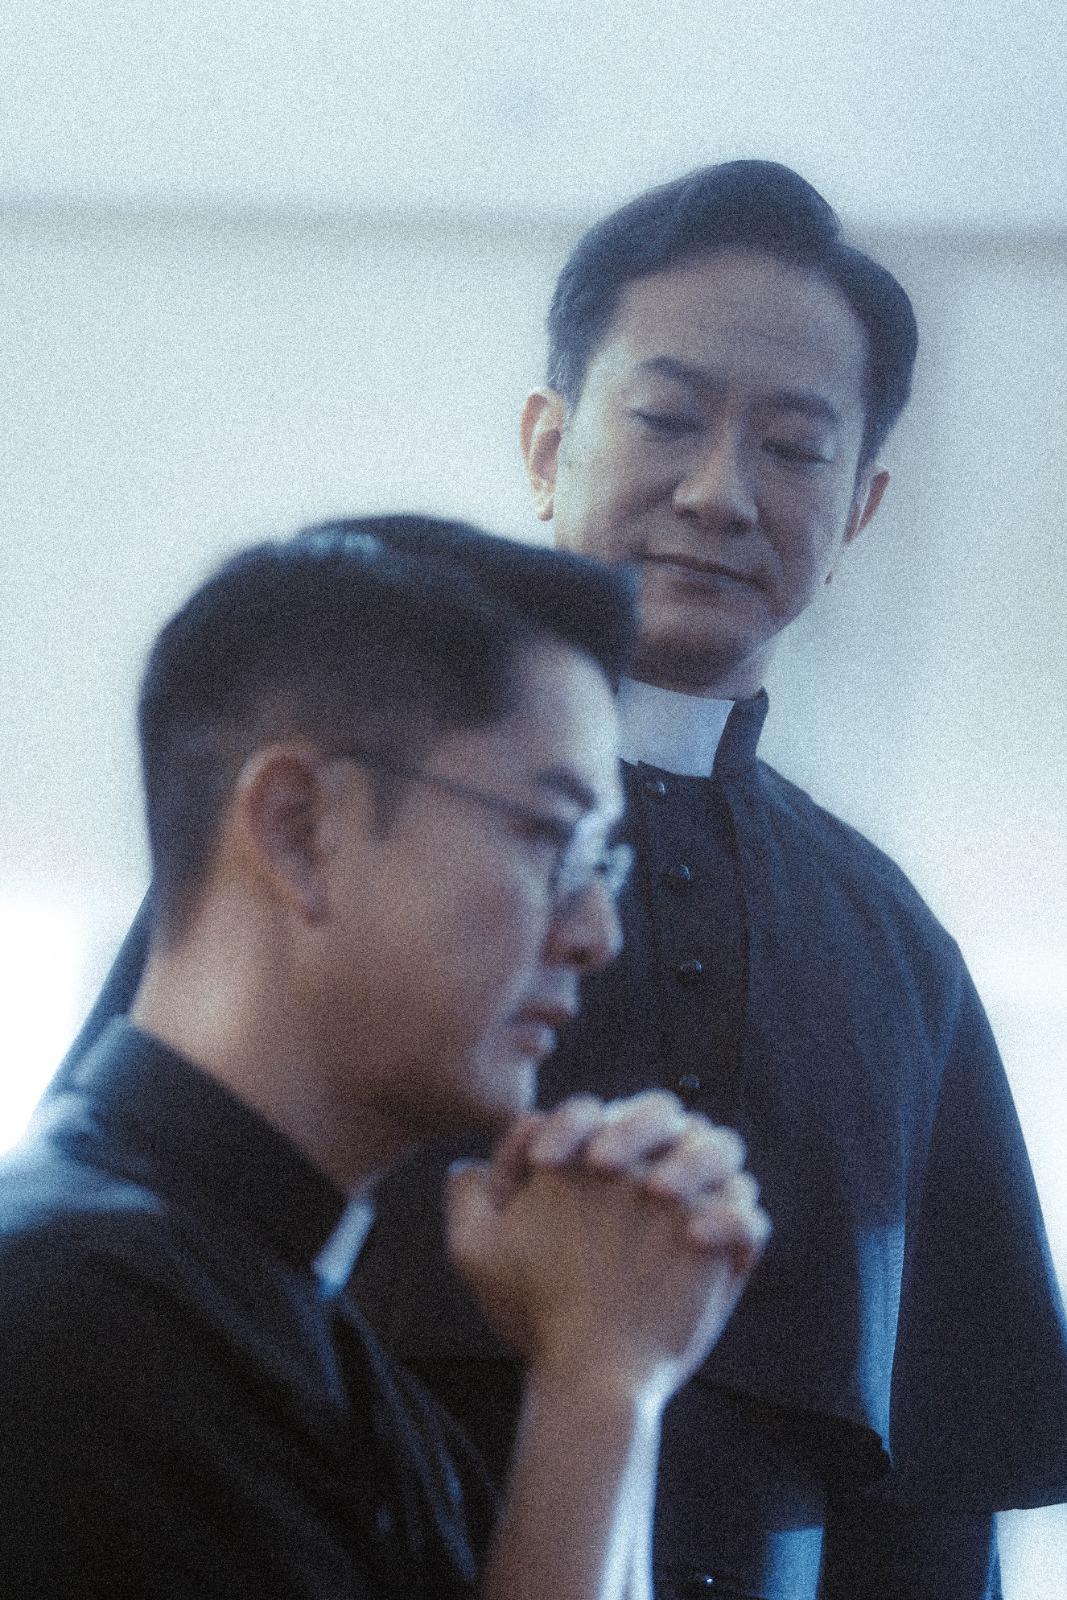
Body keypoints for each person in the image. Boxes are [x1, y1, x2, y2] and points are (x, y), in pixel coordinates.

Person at [46, 164, 1067, 1599]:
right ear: (547, 442)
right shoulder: (346, 828)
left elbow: (931, 1511)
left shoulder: (896, 948)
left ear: (858, 510)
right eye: (664, 418)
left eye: (793, 446)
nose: (718, 494)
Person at [0, 521, 771, 1598]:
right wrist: (598, 1389)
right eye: (549, 839)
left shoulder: (289, 1325)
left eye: (603, 863)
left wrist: (613, 1379)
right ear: (298, 828)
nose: (599, 931)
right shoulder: (71, 1327)